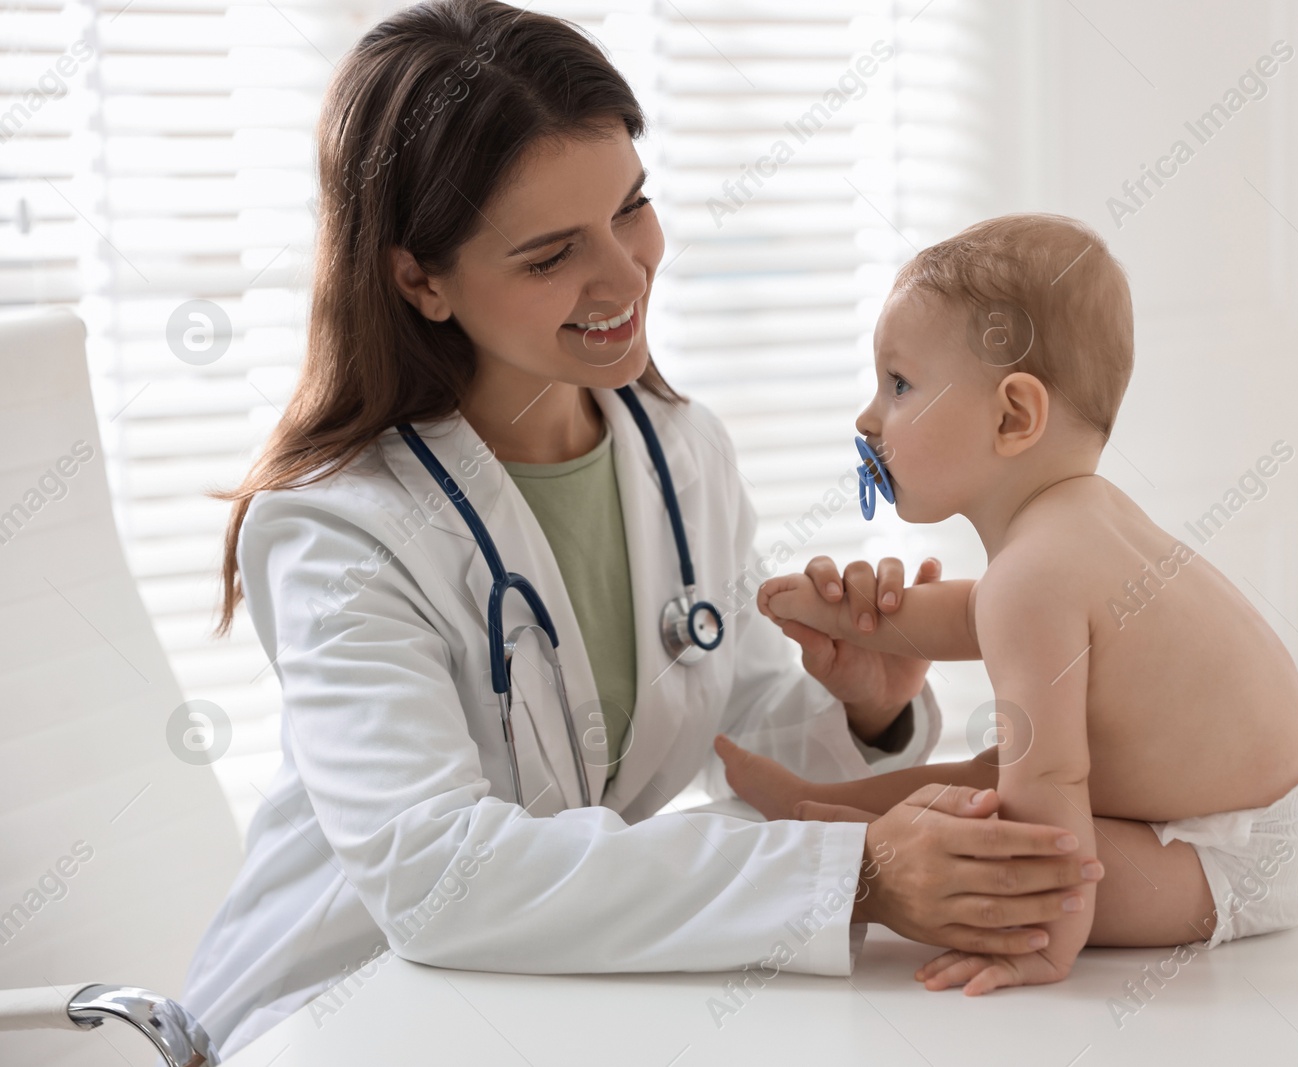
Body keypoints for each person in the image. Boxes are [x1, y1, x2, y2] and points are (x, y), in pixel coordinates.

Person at [180, 4, 1099, 1057]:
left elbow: (737, 732)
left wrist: (860, 711)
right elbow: (439, 877)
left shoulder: (677, 449)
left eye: (633, 207)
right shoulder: (338, 530)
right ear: (417, 279)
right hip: (328, 1015)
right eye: (550, 254)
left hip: (536, 1010)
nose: (625, 275)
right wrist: (859, 877)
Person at [716, 212, 1298, 995]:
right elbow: (973, 614)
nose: (870, 418)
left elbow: (1055, 787)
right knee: (982, 777)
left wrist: (1040, 939)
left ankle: (835, 829)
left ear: (1013, 417)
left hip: (1218, 862)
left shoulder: (1034, 574)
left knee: (987, 819)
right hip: (1242, 816)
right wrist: (845, 614)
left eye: (900, 384)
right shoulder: (1079, 522)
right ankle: (816, 806)